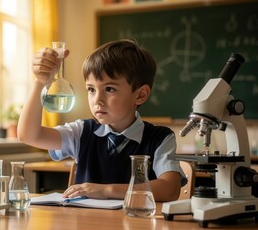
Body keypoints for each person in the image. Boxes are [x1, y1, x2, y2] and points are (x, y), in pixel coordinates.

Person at [17, 39, 186, 202]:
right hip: (86, 227)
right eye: (91, 89)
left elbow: (169, 188)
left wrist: (106, 191)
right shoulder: (82, 132)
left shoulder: (160, 138)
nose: (97, 100)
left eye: (109, 89)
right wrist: (40, 82)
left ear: (140, 95)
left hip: (136, 227)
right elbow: (28, 135)